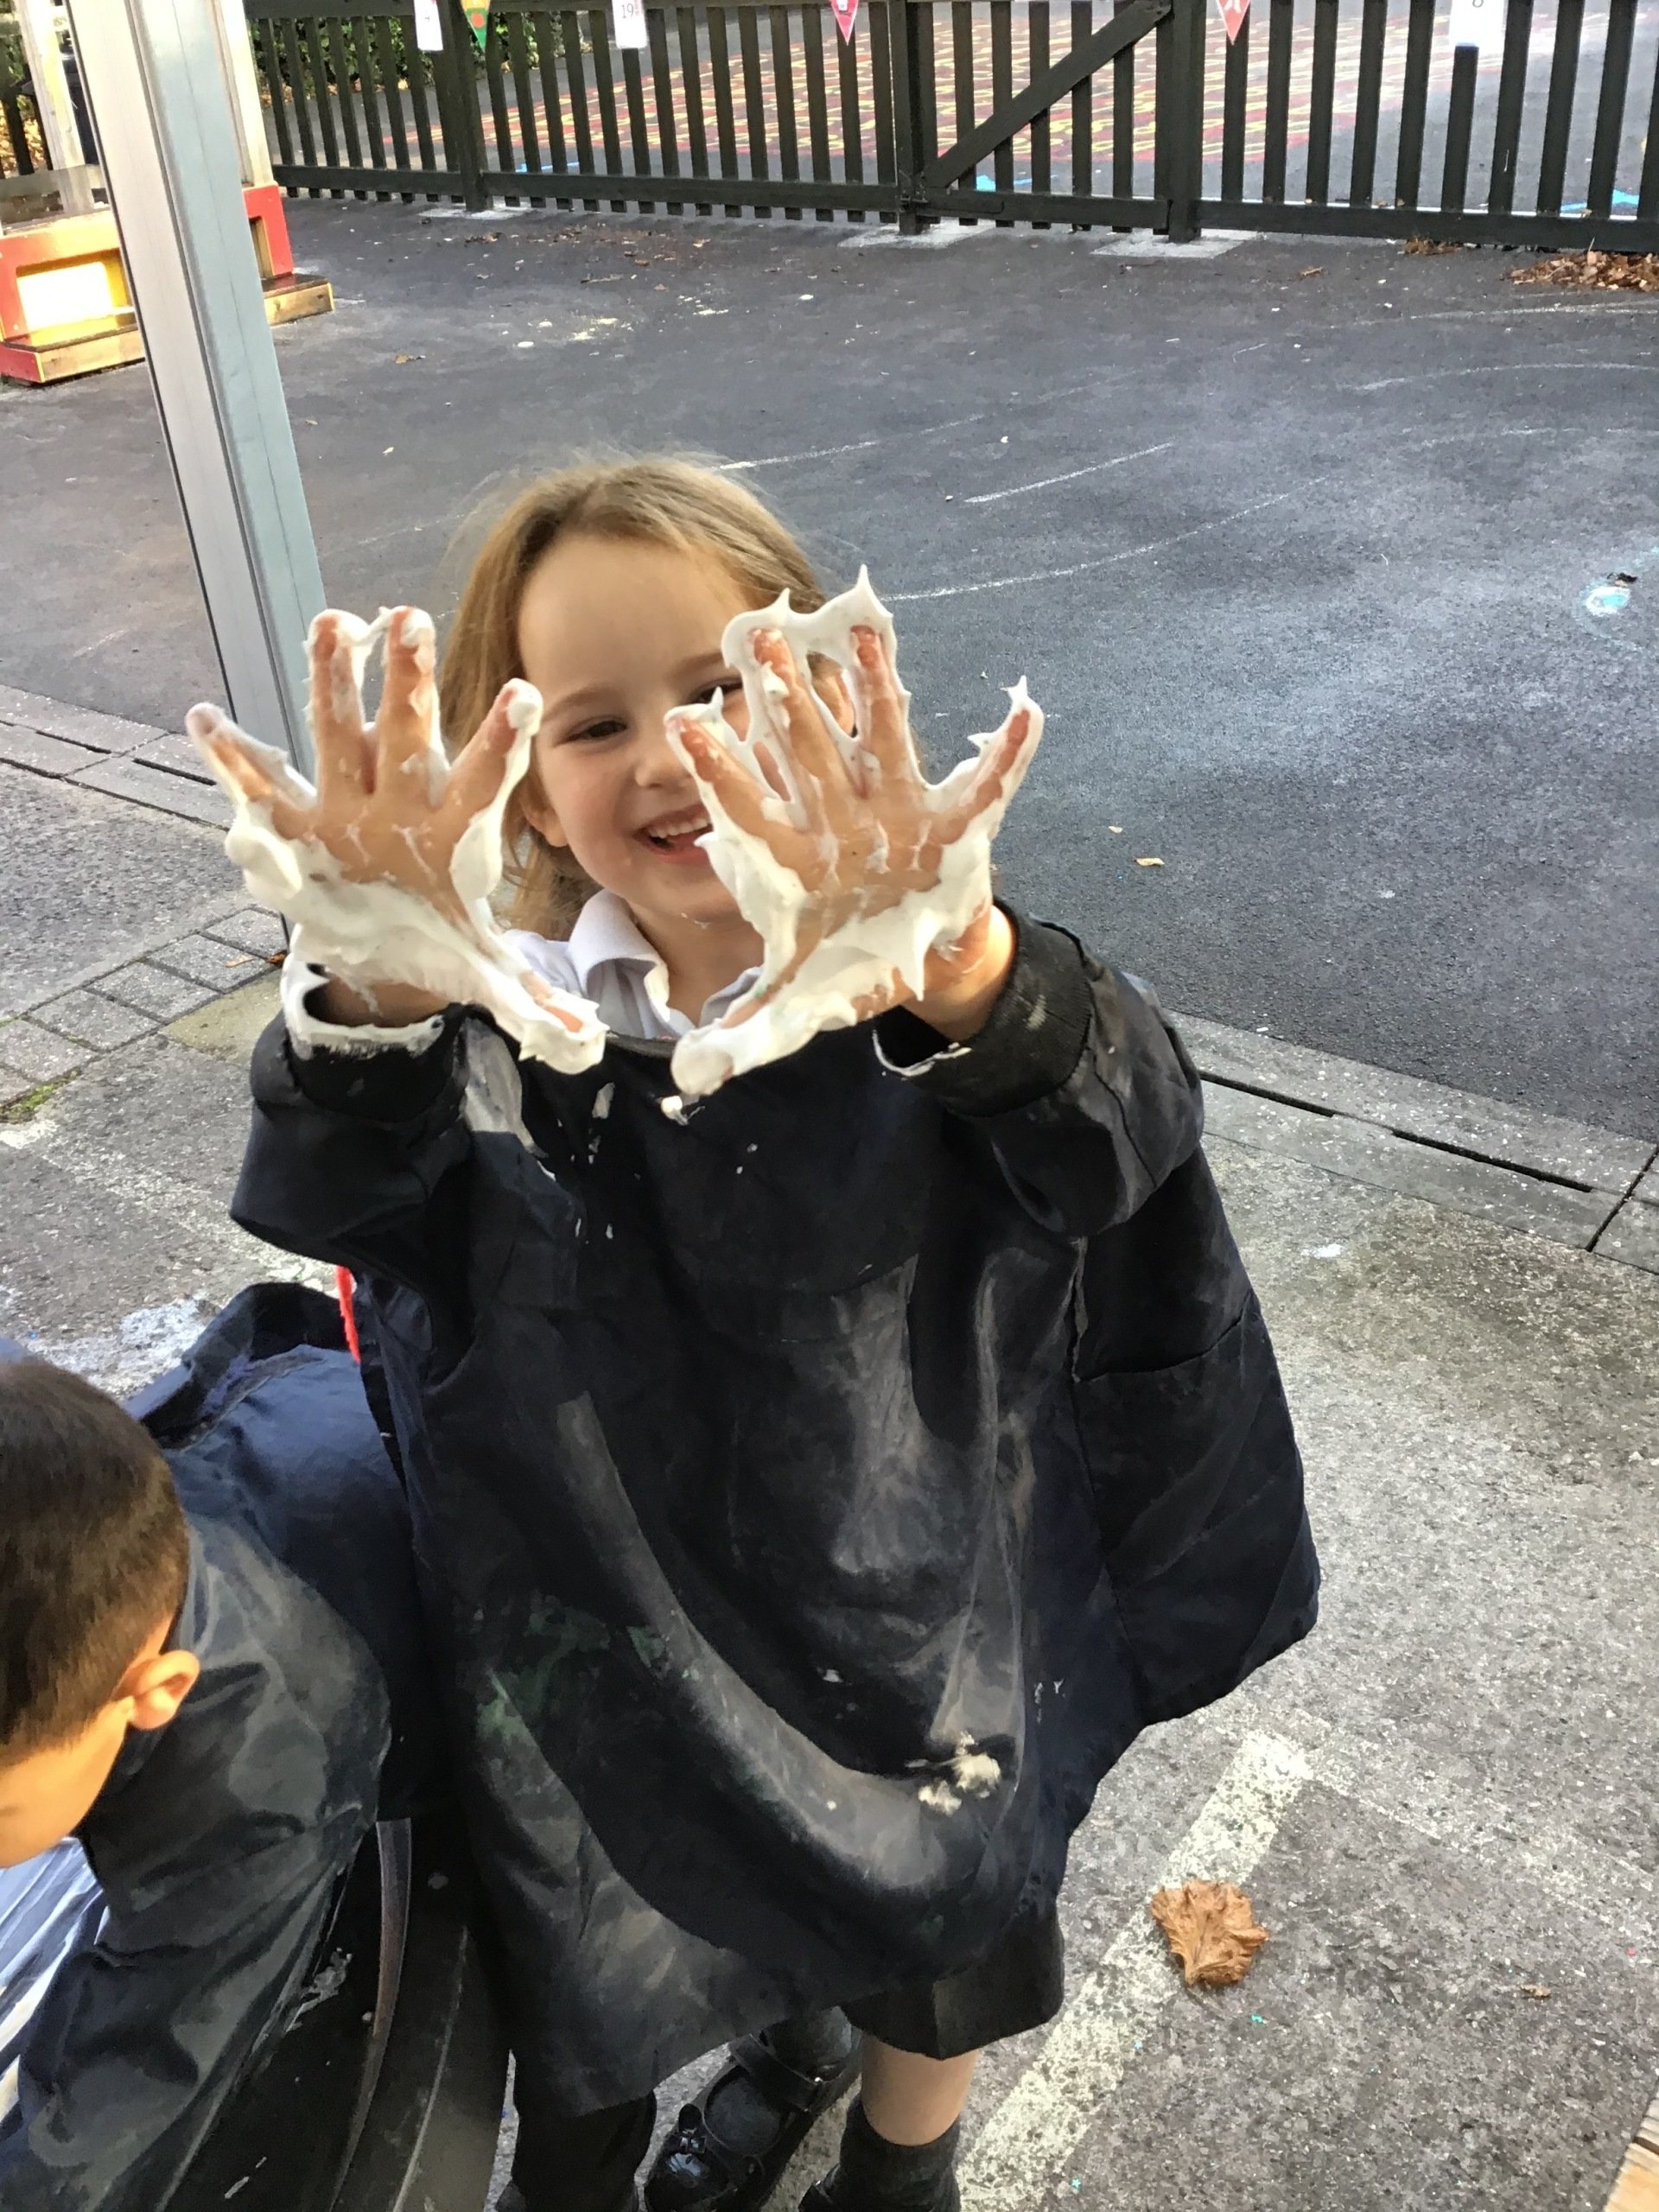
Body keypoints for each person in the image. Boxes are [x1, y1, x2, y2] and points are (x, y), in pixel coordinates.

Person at [211, 460, 1318, 2212]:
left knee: (938, 1914)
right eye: (590, 719)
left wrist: (972, 976)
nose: (667, 752)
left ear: (823, 699)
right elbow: (340, 1199)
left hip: (917, 1597)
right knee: (624, 1914)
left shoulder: (922, 984)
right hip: (623, 1596)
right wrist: (373, 999)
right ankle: (684, 2089)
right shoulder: (512, 1014)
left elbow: (1123, 1133)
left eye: (723, 687)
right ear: (530, 793)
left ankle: (901, 2147)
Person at [0, 1283, 432, 2210]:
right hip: (284, 1444)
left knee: (575, 2002)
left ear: (150, 1695)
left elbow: (120, 2094)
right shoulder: (37, 1470)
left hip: (509, 1639)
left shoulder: (257, 1787)